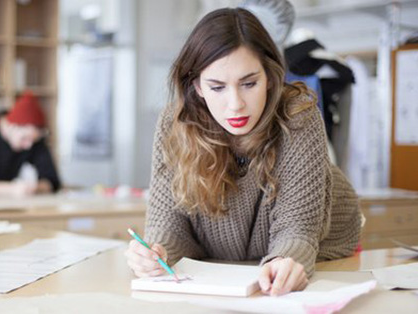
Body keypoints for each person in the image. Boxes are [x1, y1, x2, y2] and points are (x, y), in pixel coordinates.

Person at [125, 8, 361, 296]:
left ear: (271, 78)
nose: (235, 104)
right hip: (224, 267)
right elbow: (170, 223)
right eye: (217, 87)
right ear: (197, 85)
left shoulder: (298, 115)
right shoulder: (174, 124)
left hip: (322, 251)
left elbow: (297, 229)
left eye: (249, 84)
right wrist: (157, 254)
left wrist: (286, 260)